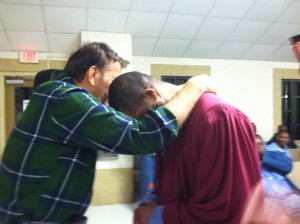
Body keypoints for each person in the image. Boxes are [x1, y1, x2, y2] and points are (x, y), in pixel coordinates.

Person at [0, 42, 215, 224]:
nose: (113, 94)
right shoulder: (64, 97)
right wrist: (193, 87)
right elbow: (145, 137)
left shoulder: (55, 94)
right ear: (93, 74)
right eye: (112, 83)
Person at [108, 71, 262, 224]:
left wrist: (158, 216)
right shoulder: (168, 125)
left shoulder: (217, 117)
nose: (150, 132)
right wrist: (153, 199)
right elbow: (173, 179)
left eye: (143, 119)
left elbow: (229, 206)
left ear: (150, 95)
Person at [255, 131, 300, 222]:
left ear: (264, 145)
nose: (257, 146)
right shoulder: (246, 164)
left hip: (289, 195)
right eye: (254, 144)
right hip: (269, 200)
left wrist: (265, 155)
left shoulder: (273, 155)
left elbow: (288, 166)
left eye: (260, 143)